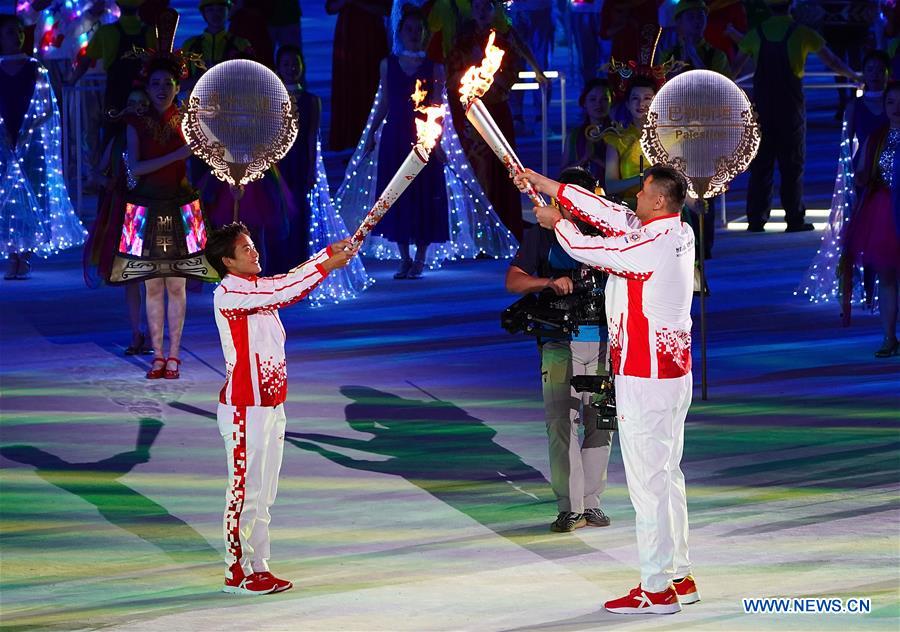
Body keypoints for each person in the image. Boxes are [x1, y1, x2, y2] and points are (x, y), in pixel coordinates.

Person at [514, 163, 699, 614]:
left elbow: (589, 248)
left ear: (659, 201)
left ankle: (656, 590)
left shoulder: (650, 248)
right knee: (668, 475)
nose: (633, 198)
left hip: (645, 376)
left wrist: (558, 223)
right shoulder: (679, 232)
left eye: (642, 192)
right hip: (673, 376)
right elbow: (612, 217)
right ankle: (680, 575)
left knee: (647, 484)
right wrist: (549, 186)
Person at [204, 221, 357, 595]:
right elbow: (287, 290)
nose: (254, 252)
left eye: (253, 244)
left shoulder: (256, 287)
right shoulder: (229, 295)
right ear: (227, 261)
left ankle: (260, 566)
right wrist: (326, 265)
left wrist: (325, 255)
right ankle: (235, 574)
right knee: (244, 494)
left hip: (272, 406)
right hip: (245, 409)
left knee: (265, 495)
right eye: (245, 249)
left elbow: (284, 282)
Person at [505, 167, 613, 533]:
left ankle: (591, 501)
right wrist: (549, 283)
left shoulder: (608, 233)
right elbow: (514, 280)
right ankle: (571, 507)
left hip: (603, 343)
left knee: (600, 423)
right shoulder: (542, 234)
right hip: (558, 343)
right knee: (561, 424)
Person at [109, 45, 216, 380]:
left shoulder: (189, 119)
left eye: (167, 83)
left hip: (181, 205)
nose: (161, 89)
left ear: (177, 87)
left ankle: (174, 356)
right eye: (156, 83)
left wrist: (233, 177)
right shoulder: (135, 121)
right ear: (147, 86)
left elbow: (215, 152)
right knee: (152, 287)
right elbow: (136, 168)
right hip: (145, 206)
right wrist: (180, 153)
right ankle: (157, 355)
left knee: (177, 287)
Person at [733, 0, 861, 233]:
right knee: (792, 165)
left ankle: (756, 219)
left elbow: (735, 68)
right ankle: (794, 218)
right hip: (790, 110)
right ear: (791, 5)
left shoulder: (756, 34)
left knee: (761, 165)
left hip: (761, 110)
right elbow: (832, 62)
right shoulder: (802, 33)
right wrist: (854, 77)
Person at [365, 5, 449, 279]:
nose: (413, 34)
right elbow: (386, 103)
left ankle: (421, 257)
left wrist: (437, 145)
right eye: (409, 29)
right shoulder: (387, 64)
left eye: (418, 29)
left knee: (424, 194)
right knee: (396, 193)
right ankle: (404, 258)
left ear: (425, 34)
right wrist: (371, 134)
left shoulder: (435, 67)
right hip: (395, 137)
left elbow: (437, 107)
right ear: (400, 31)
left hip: (423, 138)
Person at [1, 14, 86, 280]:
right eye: (9, 32)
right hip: (3, 139)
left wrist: (28, 129)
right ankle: (12, 254)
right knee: (7, 196)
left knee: (32, 197)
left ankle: (24, 254)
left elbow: (48, 106)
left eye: (19, 32)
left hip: (30, 143)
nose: (16, 37)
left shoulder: (35, 67)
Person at [83, 88, 153, 355]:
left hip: (152, 206)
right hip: (124, 211)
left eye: (142, 104)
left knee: (153, 277)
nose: (136, 108)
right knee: (133, 276)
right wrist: (107, 182)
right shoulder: (117, 140)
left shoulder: (154, 136)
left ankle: (152, 332)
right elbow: (96, 174)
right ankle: (137, 332)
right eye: (132, 103)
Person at [841, 82, 900, 358]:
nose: (896, 108)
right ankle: (889, 336)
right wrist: (862, 177)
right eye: (890, 103)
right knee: (887, 277)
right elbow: (861, 171)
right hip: (884, 211)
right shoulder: (877, 138)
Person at [70, 0, 157, 144]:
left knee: (113, 137)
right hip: (142, 95)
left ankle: (110, 166)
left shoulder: (107, 32)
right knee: (143, 138)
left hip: (115, 94)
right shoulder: (150, 32)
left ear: (118, 5)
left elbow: (85, 61)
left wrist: (71, 82)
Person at [327, 0, 391, 151]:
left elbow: (386, 9)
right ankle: (350, 138)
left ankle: (372, 137)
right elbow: (330, 7)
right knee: (348, 85)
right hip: (347, 36)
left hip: (371, 37)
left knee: (371, 85)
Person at [182, 0, 252, 79]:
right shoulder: (189, 45)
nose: (216, 14)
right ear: (204, 13)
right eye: (210, 9)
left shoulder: (242, 44)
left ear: (228, 12)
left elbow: (253, 77)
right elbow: (178, 83)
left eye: (221, 9)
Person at [563, 78, 612, 186]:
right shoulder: (574, 136)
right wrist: (584, 159)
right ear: (584, 102)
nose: (598, 104)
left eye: (604, 99)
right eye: (593, 99)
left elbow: (624, 174)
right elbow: (563, 173)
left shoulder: (618, 134)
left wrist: (596, 159)